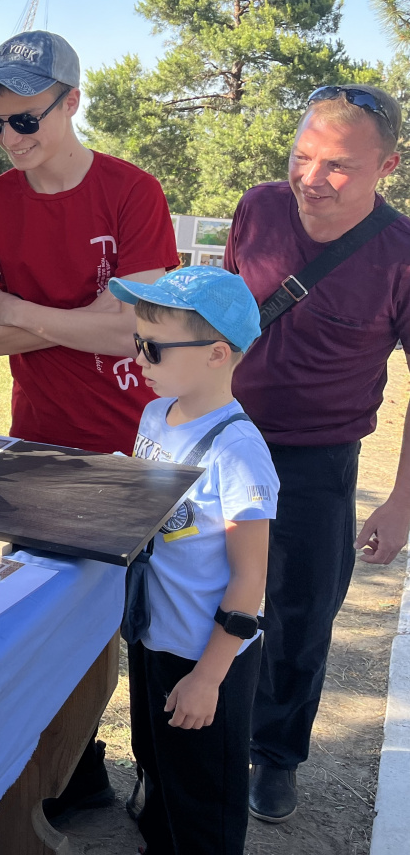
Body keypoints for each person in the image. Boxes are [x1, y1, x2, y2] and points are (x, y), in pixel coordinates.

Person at [0, 31, 178, 816]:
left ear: (71, 103)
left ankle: (162, 779)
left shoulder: (131, 192)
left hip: (137, 442)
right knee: (46, 629)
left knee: (145, 630)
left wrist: (22, 310)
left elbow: (128, 333)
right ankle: (59, 778)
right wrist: (79, 315)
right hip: (36, 444)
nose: (8, 139)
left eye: (25, 120)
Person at [222, 85, 410, 822]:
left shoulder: (400, 252)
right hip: (227, 441)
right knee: (203, 598)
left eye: (335, 165)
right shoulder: (257, 207)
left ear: (384, 166)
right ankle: (205, 728)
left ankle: (274, 757)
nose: (309, 178)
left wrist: (399, 503)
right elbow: (228, 310)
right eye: (301, 156)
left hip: (320, 461)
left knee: (301, 618)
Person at [108, 266, 276, 854]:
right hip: (156, 636)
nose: (139, 360)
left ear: (216, 354)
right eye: (137, 344)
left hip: (207, 656)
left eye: (152, 348)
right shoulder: (159, 414)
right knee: (159, 763)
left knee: (205, 798)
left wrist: (208, 677)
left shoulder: (238, 454)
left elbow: (250, 576)